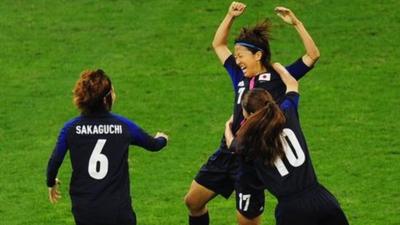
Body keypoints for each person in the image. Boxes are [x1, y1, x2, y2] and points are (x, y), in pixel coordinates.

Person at [184, 2, 320, 225]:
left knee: (246, 223)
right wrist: (230, 16)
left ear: (258, 55)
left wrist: (297, 23)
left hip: (252, 160)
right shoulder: (238, 74)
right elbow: (218, 45)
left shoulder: (279, 77)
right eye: (235, 56)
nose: (236, 60)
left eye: (240, 55)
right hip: (227, 151)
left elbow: (312, 56)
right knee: (193, 202)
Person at [224, 63, 349, 225]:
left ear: (250, 115)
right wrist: (278, 68)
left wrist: (228, 126)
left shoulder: (249, 143)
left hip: (291, 211)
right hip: (321, 199)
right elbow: (292, 84)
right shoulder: (288, 113)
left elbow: (231, 144)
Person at [46, 69, 168, 225]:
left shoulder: (70, 128)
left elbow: (54, 161)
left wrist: (51, 182)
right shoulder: (123, 126)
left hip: (85, 210)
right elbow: (153, 145)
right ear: (105, 100)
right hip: (118, 210)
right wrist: (162, 139)